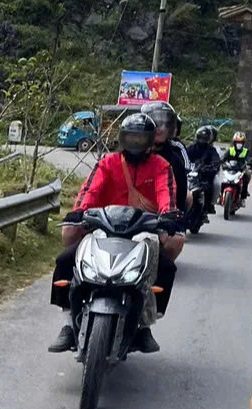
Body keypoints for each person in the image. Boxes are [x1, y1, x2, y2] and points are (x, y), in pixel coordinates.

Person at [47, 113, 180, 355]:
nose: (135, 143)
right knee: (65, 260)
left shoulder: (162, 166)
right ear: (122, 139)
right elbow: (91, 189)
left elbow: (166, 193)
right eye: (131, 137)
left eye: (141, 139)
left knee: (167, 268)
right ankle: (68, 322)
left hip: (142, 231)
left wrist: (168, 215)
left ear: (151, 141)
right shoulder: (108, 163)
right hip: (103, 226)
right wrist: (79, 211)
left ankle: (145, 323)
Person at [141, 100, 188, 261]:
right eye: (155, 122)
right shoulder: (120, 157)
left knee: (166, 266)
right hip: (125, 213)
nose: (159, 128)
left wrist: (173, 219)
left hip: (158, 215)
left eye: (164, 123)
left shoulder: (173, 160)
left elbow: (178, 194)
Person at [187, 125, 221, 214]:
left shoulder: (211, 150)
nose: (202, 140)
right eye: (200, 138)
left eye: (205, 138)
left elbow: (216, 160)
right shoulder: (191, 148)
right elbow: (182, 157)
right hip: (190, 173)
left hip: (205, 175)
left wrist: (212, 167)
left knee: (215, 184)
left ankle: (209, 205)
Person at [227, 131, 252, 205]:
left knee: (247, 176)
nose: (239, 145)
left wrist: (249, 164)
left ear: (243, 143)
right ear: (234, 142)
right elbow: (223, 158)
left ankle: (243, 197)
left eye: (240, 143)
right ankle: (219, 195)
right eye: (237, 142)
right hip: (230, 169)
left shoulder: (245, 151)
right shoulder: (230, 150)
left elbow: (248, 159)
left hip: (241, 170)